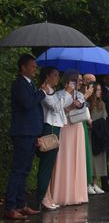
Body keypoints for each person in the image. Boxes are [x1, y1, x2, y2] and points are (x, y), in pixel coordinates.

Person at [4, 54, 46, 220]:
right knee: (18, 170)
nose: (35, 70)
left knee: (25, 170)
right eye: (32, 66)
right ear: (23, 67)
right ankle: (10, 206)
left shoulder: (30, 85)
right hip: (22, 132)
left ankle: (21, 204)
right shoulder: (19, 84)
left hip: (30, 132)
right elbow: (28, 104)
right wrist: (41, 92)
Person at [42, 70, 93, 207]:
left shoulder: (81, 94)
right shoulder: (59, 93)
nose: (79, 82)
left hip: (77, 128)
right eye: (77, 80)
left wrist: (81, 102)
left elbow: (83, 108)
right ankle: (61, 193)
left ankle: (77, 193)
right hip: (65, 128)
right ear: (69, 81)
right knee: (64, 159)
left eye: (80, 80)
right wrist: (70, 106)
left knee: (77, 159)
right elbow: (57, 109)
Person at [38, 67, 73, 210]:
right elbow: (56, 107)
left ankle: (47, 196)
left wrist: (66, 93)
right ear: (47, 77)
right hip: (49, 128)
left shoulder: (53, 92)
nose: (58, 78)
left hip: (56, 127)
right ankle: (42, 197)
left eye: (58, 75)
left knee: (50, 163)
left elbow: (63, 104)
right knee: (46, 164)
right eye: (55, 75)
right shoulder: (44, 91)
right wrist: (67, 93)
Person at [88, 83, 108, 195]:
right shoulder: (88, 104)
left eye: (100, 90)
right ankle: (89, 183)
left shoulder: (102, 104)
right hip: (91, 133)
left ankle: (96, 183)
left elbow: (104, 117)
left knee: (99, 158)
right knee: (90, 158)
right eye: (97, 90)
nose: (99, 92)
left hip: (99, 133)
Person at [81, 74, 95, 195]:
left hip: (84, 124)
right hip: (76, 123)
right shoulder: (79, 93)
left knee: (86, 153)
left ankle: (87, 182)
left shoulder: (89, 94)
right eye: (88, 82)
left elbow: (85, 108)